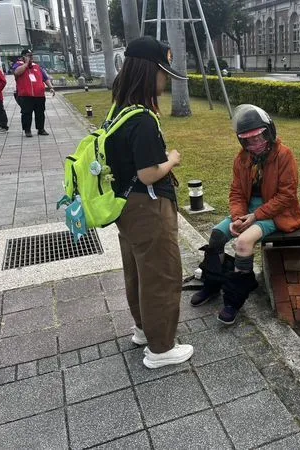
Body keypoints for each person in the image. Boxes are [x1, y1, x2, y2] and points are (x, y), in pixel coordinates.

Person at [105, 35, 193, 369]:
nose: (165, 79)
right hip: (148, 207)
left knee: (138, 271)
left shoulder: (118, 112)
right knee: (162, 275)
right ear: (147, 71)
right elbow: (148, 173)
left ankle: (143, 329)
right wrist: (172, 159)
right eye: (162, 72)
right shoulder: (142, 119)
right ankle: (161, 349)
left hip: (126, 209)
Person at [190, 104, 300, 325]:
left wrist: (255, 216)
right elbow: (236, 192)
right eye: (248, 140)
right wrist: (237, 217)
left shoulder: (284, 155)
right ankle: (213, 284)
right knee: (217, 235)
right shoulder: (242, 158)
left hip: (277, 212)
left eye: (258, 137)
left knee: (243, 242)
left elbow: (287, 196)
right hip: (248, 212)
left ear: (269, 132)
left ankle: (234, 300)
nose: (254, 143)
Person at [13, 49, 55, 137]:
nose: (31, 57)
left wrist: (51, 87)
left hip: (39, 95)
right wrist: (26, 64)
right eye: (28, 55)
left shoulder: (37, 66)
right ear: (23, 57)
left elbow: (45, 78)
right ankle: (27, 130)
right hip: (26, 95)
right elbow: (17, 72)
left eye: (31, 55)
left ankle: (41, 129)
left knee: (40, 112)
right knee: (26, 113)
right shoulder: (18, 65)